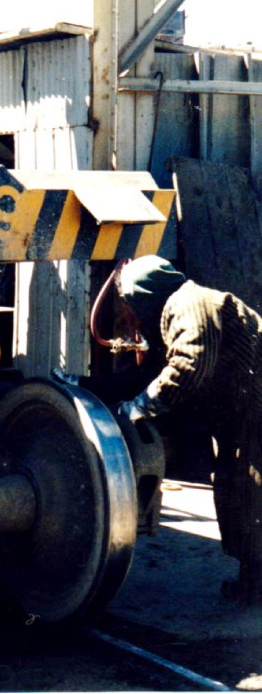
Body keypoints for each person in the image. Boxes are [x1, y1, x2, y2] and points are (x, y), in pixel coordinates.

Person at [114, 255, 262, 604]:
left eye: (130, 304)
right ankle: (252, 577)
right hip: (241, 415)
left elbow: (187, 366)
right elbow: (149, 373)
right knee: (237, 488)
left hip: (254, 412)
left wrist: (140, 406)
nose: (130, 315)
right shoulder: (177, 310)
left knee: (250, 489)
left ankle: (256, 581)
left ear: (144, 296)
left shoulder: (189, 305)